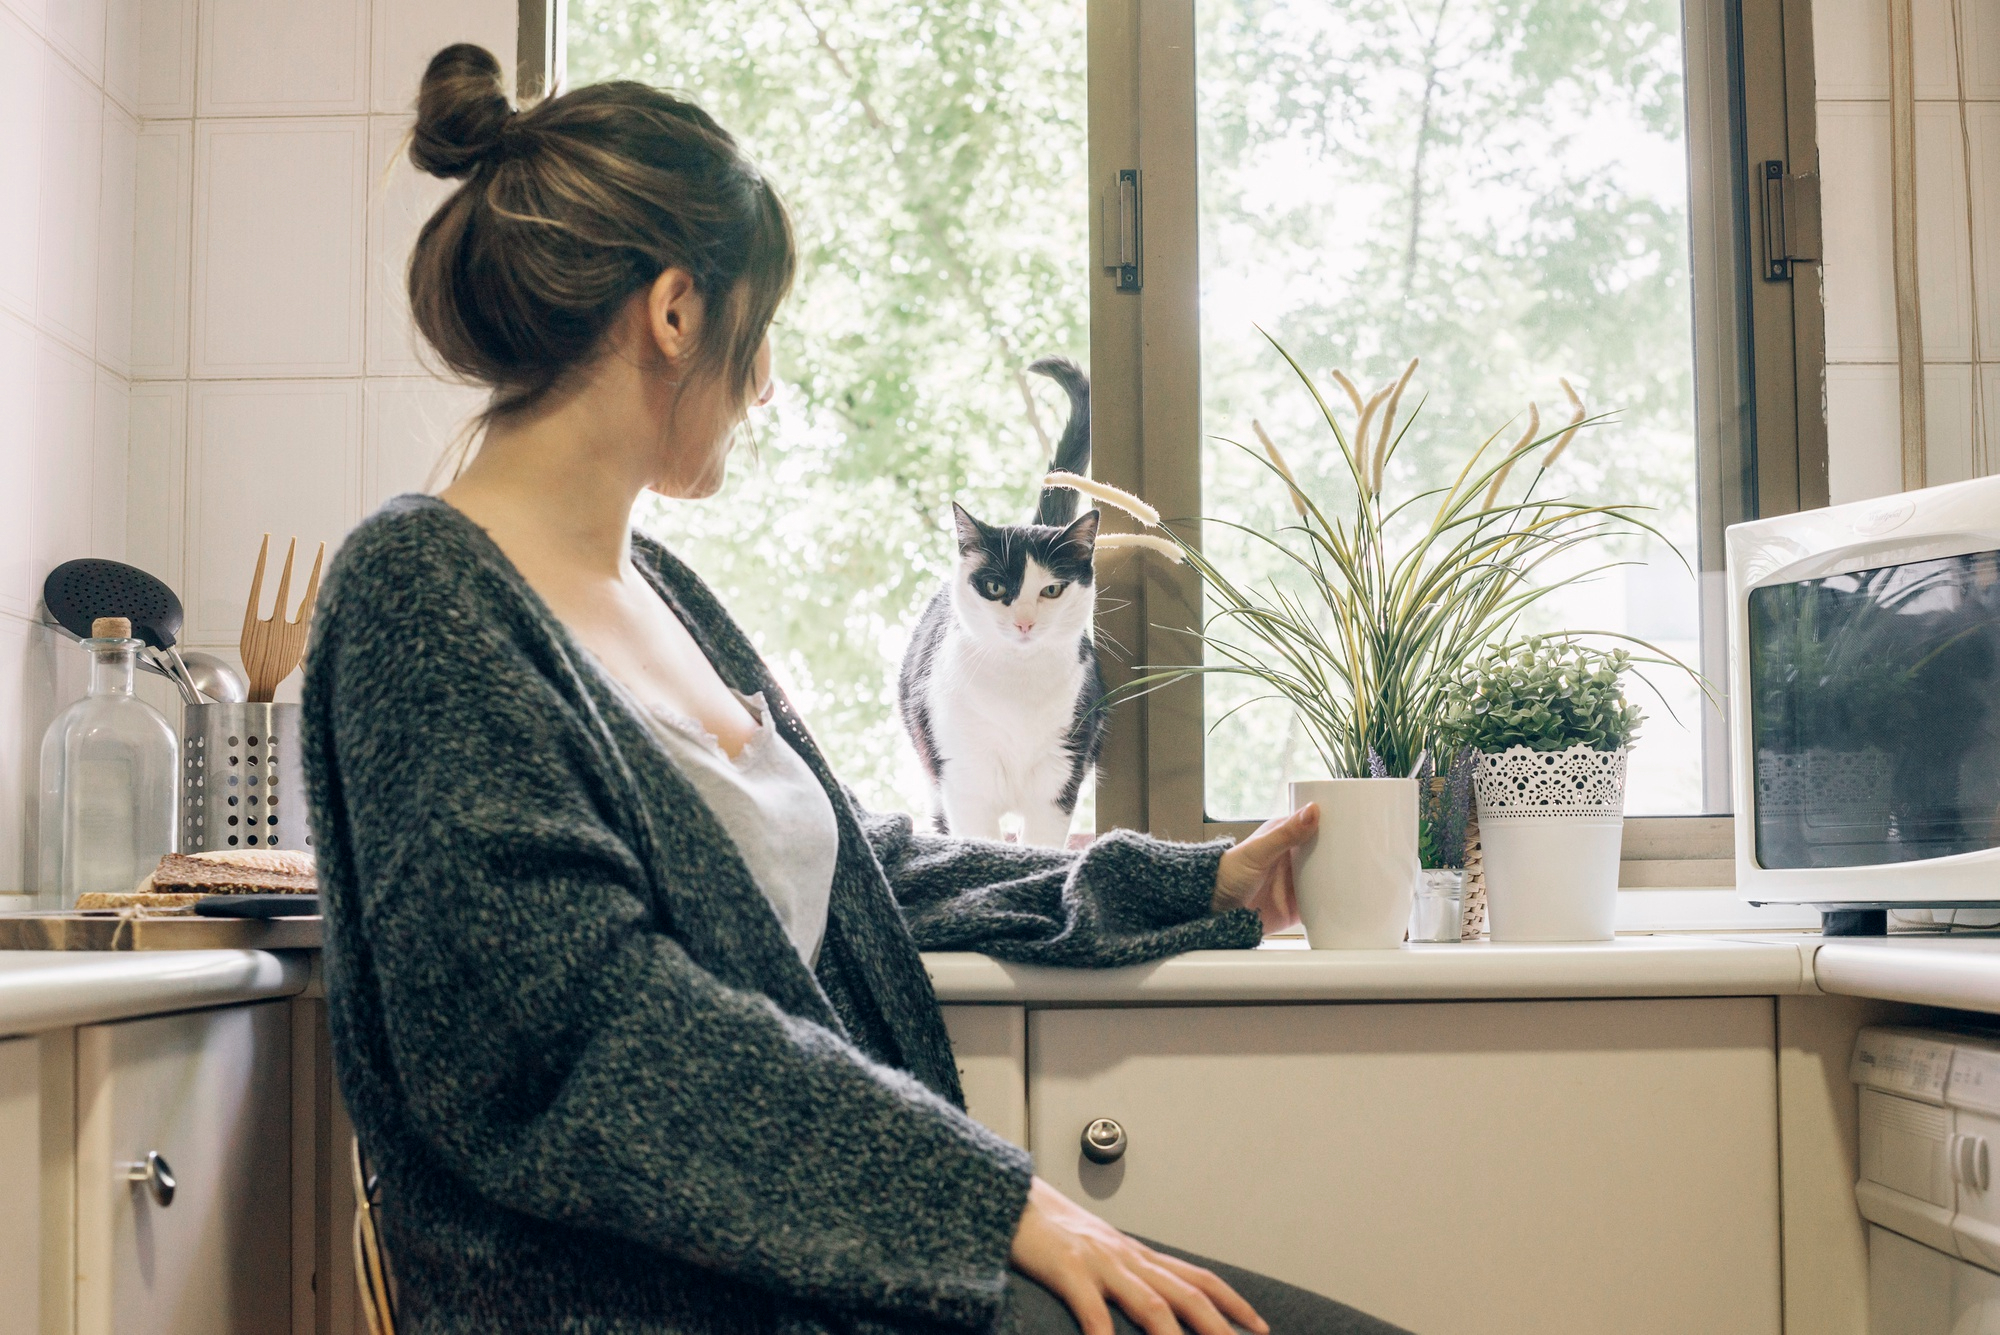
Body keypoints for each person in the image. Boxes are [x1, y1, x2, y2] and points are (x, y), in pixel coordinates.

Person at [302, 43, 1409, 1335]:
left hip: (839, 1268)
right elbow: (585, 1037)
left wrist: (1194, 882)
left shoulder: (664, 596)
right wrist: (997, 1204)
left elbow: (866, 875)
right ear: (676, 314)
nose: (762, 382)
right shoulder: (419, 594)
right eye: (755, 332)